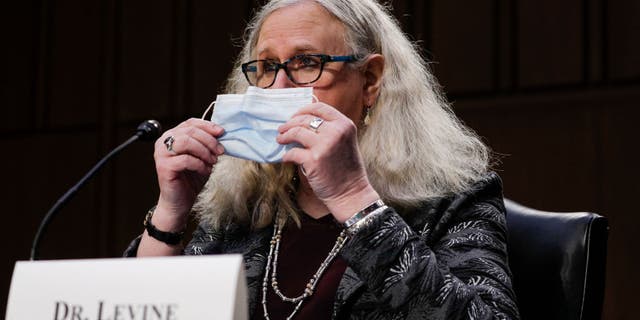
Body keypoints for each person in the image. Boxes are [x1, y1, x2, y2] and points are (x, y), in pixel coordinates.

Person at [125, 0, 520, 319]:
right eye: (266, 68)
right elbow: (154, 307)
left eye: (307, 63)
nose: (279, 87)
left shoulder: (455, 199)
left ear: (369, 81)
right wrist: (171, 213)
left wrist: (352, 196)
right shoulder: (241, 207)